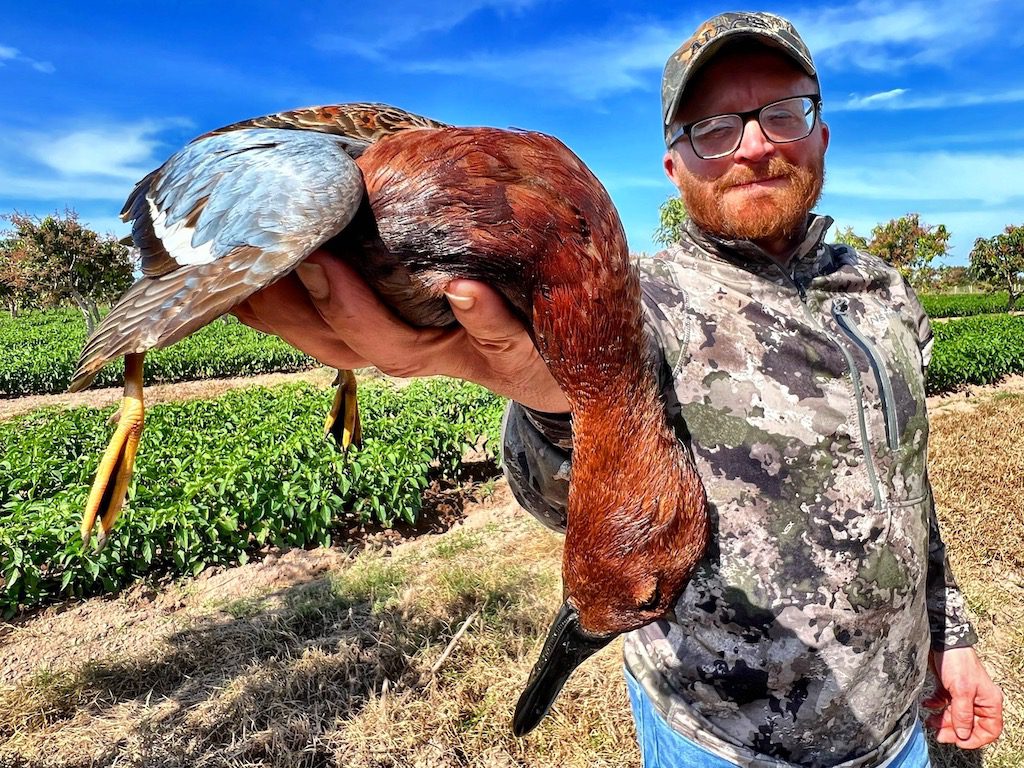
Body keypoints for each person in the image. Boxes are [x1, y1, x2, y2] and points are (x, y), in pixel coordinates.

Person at [232, 11, 1003, 766]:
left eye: (783, 112)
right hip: (716, 740)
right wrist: (551, 400)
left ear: (822, 132)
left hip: (897, 724)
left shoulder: (883, 293)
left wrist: (952, 632)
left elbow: (908, 482)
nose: (755, 144)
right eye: (714, 127)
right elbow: (557, 498)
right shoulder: (628, 304)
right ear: (675, 165)